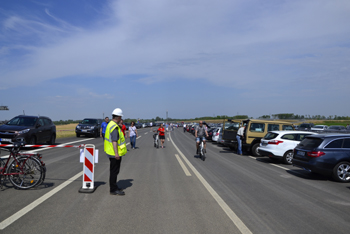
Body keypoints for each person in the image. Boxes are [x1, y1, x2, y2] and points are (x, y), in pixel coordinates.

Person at [104, 108, 127, 196]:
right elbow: (114, 141)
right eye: (120, 117)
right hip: (114, 153)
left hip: (110, 152)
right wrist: (116, 153)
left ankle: (114, 186)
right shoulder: (114, 127)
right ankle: (113, 189)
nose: (121, 119)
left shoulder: (110, 124)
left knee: (114, 171)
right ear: (118, 117)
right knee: (114, 171)